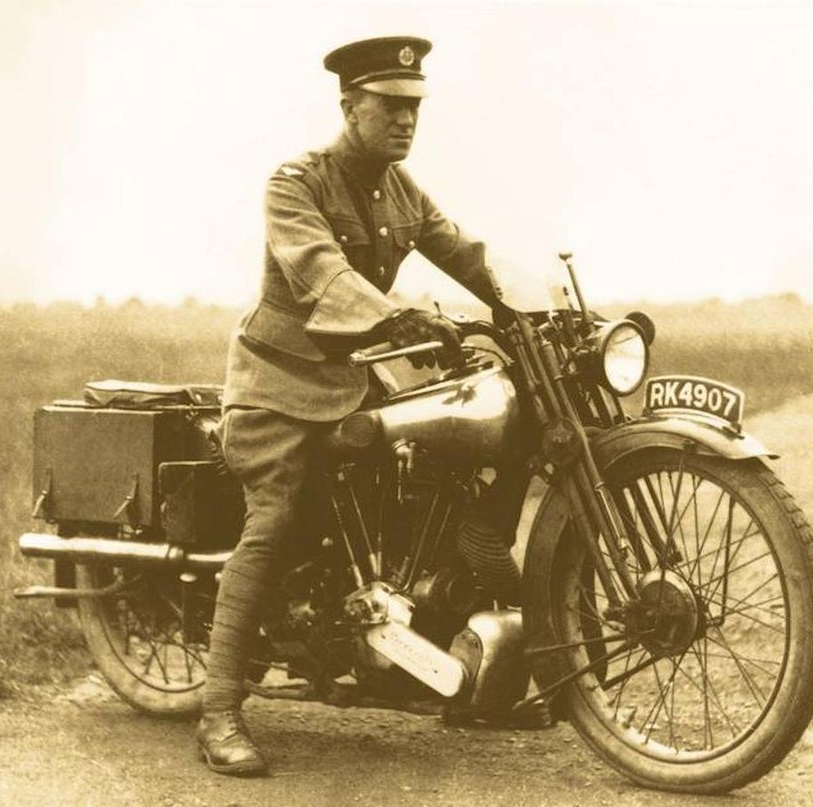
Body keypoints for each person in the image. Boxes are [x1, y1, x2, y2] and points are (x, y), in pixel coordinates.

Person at [196, 35, 509, 776]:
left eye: (414, 108)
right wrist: (396, 316)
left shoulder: (401, 192)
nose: (406, 121)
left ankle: (429, 649)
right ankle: (217, 713)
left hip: (356, 382)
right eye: (391, 106)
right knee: (272, 521)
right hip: (278, 388)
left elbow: (467, 252)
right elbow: (320, 274)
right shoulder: (296, 182)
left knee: (439, 463)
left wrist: (529, 307)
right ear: (350, 106)